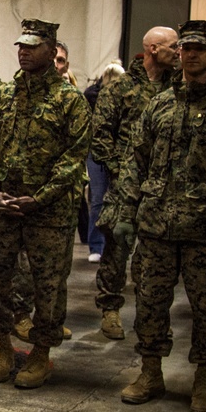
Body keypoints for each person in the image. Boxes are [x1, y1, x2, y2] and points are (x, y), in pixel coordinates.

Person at [114, 20, 206, 412]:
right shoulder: (160, 103)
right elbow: (136, 159)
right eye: (186, 47)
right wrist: (125, 213)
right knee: (150, 302)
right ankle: (150, 372)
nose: (190, 54)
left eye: (199, 48)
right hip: (156, 224)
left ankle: (204, 379)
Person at [0, 18, 91, 389]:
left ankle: (40, 353)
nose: (23, 51)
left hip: (49, 213)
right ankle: (3, 348)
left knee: (48, 286)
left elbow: (75, 157)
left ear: (52, 50)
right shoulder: (5, 96)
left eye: (32, 46)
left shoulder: (70, 101)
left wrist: (41, 198)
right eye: (20, 46)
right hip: (4, 207)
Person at [90, 27, 177, 340]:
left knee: (154, 253)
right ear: (153, 48)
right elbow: (100, 134)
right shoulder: (122, 87)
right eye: (173, 46)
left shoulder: (179, 88)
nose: (179, 52)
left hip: (165, 187)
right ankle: (110, 309)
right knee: (116, 248)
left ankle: (149, 311)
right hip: (125, 183)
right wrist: (119, 170)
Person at [83, 61, 125, 264]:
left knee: (113, 201)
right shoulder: (92, 96)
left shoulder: (128, 97)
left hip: (119, 153)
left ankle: (112, 246)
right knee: (98, 199)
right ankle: (97, 245)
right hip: (97, 153)